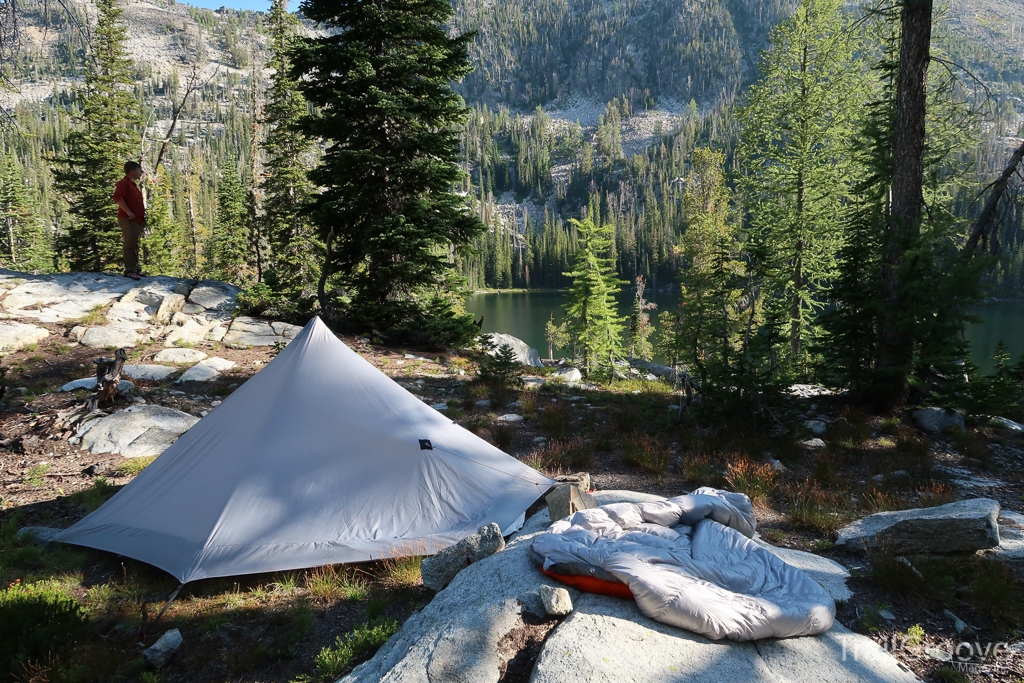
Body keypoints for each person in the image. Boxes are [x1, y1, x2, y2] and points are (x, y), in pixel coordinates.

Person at [113, 160, 146, 280]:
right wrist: (128, 211)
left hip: (137, 220)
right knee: (129, 244)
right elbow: (117, 197)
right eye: (138, 171)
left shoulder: (132, 184)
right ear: (131, 171)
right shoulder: (123, 183)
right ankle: (129, 270)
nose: (140, 173)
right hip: (128, 219)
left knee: (135, 244)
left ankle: (135, 268)